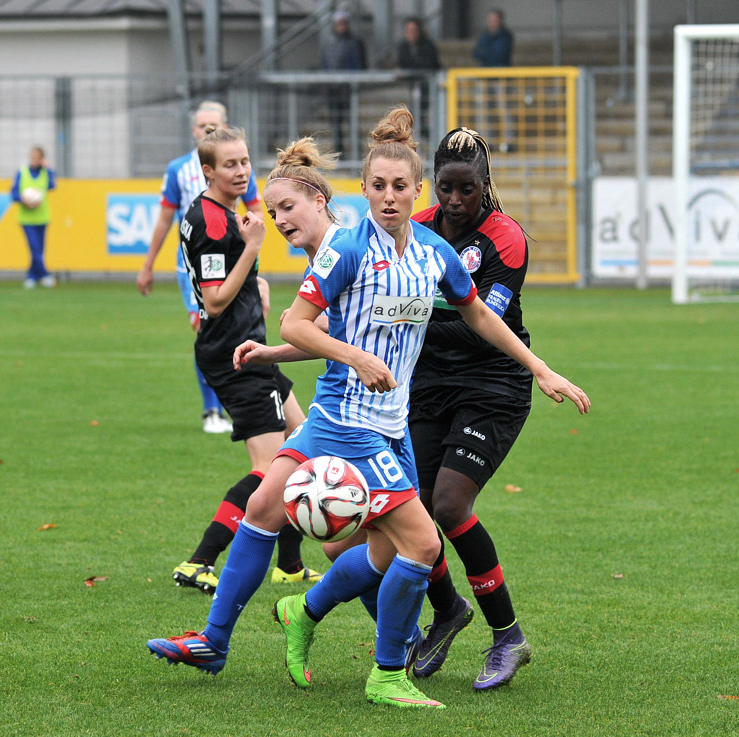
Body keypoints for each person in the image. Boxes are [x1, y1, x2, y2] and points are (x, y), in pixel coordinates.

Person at [146, 107, 590, 710]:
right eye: (377, 186)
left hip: (392, 426)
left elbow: (482, 314)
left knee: (373, 549)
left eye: (399, 187)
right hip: (345, 417)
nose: (388, 196)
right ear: (363, 190)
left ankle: (301, 612)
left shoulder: (435, 254)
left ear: (417, 192)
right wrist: (353, 358)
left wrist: (540, 369)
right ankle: (258, 648)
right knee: (409, 543)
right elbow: (298, 323)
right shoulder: (347, 249)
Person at [406, 127, 536, 691]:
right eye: (446, 189)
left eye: (467, 189)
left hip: (493, 384)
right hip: (428, 384)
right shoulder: (417, 230)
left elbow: (486, 330)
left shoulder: (506, 238)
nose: (456, 201)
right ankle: (446, 610)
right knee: (412, 510)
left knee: (451, 503)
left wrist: (411, 314)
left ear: (486, 185)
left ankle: (507, 636)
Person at [166, 124, 321, 593]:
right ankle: (199, 560)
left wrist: (256, 289)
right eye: (230, 164)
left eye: (245, 161)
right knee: (271, 466)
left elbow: (227, 290)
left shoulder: (223, 213)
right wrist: (252, 248)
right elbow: (213, 300)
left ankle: (289, 565)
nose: (241, 171)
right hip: (235, 354)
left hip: (248, 345)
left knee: (303, 445)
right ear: (207, 171)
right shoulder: (213, 220)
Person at [136, 100, 263, 434]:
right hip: (195, 264)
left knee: (232, 330)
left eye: (214, 123)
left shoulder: (235, 165)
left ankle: (238, 404)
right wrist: (148, 265)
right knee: (209, 327)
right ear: (193, 131)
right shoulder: (179, 169)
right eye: (201, 125)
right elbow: (165, 218)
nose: (207, 128)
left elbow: (255, 210)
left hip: (232, 258)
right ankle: (212, 410)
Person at [320, 9, 367, 155]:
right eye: (339, 24)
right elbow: (325, 64)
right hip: (333, 90)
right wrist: (326, 84)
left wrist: (352, 82)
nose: (341, 26)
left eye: (343, 23)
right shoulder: (329, 43)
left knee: (351, 121)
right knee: (336, 123)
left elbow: (360, 64)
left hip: (348, 89)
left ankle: (356, 152)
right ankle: (341, 154)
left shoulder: (354, 43)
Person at [11, 146, 56, 289]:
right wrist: (23, 199)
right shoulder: (22, 172)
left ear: (42, 159)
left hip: (42, 217)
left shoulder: (45, 173)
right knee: (35, 248)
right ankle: (44, 275)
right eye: (32, 157)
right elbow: (13, 193)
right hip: (27, 218)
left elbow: (52, 185)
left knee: (39, 250)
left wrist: (47, 168)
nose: (34, 160)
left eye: (37, 157)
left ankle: (31, 276)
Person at [473, 10, 515, 152]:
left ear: (500, 20)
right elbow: (476, 53)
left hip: (500, 78)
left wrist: (486, 54)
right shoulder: (484, 35)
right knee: (484, 111)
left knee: (504, 110)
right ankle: (486, 141)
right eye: (490, 19)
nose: (492, 22)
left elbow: (500, 55)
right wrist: (488, 54)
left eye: (495, 19)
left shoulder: (506, 36)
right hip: (485, 77)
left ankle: (509, 142)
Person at [395, 17, 440, 140]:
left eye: (413, 30)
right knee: (415, 117)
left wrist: (412, 68)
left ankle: (432, 139)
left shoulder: (428, 46)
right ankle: (429, 139)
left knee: (419, 116)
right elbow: (402, 63)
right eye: (408, 31)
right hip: (414, 87)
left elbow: (430, 64)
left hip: (428, 87)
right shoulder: (403, 47)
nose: (411, 34)